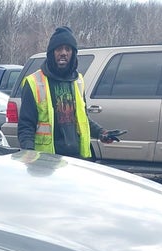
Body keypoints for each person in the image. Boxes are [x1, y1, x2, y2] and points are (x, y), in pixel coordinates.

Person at [17, 26, 116, 159]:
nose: (63, 53)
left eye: (68, 49)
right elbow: (26, 126)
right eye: (59, 49)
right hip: (47, 160)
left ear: (73, 54)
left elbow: (82, 119)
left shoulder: (78, 81)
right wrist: (28, 154)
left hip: (76, 158)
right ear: (52, 53)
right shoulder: (34, 82)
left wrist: (101, 133)